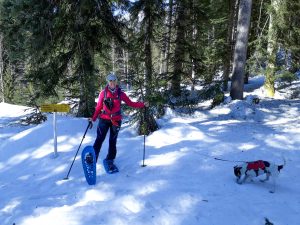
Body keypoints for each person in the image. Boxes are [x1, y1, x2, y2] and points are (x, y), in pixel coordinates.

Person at [88, 72, 149, 173]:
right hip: (104, 119)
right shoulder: (103, 93)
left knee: (113, 141)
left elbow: (131, 103)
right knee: (99, 139)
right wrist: (93, 118)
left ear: (116, 82)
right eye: (110, 81)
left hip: (116, 121)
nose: (112, 83)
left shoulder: (120, 93)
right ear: (108, 82)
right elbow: (98, 107)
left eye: (114, 81)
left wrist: (142, 104)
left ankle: (109, 160)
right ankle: (92, 159)